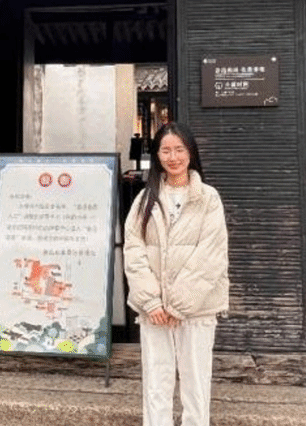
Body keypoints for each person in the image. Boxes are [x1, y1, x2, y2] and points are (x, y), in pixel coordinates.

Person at [123, 123, 231, 426]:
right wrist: (152, 301)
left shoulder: (208, 198)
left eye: (179, 150)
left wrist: (178, 304)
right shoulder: (145, 199)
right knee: (156, 383)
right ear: (157, 155)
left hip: (196, 309)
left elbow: (211, 256)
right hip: (155, 311)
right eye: (166, 150)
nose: (173, 157)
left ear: (190, 152)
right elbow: (133, 250)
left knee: (196, 385)